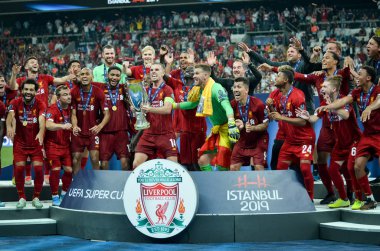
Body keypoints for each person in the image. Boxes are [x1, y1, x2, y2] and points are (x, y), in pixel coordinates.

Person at [259, 51, 353, 205]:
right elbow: (297, 76)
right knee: (322, 161)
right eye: (323, 57)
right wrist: (272, 68)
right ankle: (331, 193)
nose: (323, 59)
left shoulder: (342, 74)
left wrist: (348, 61)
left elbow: (355, 77)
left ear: (336, 61)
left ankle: (350, 193)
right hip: (326, 122)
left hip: (343, 124)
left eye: (327, 57)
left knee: (346, 164)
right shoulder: (317, 77)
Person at [317, 66, 379, 210]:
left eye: (360, 74)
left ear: (368, 78)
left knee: (352, 167)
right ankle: (369, 199)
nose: (357, 77)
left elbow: (379, 101)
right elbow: (344, 100)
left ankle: (353, 197)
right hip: (368, 135)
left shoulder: (377, 90)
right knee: (356, 166)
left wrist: (370, 107)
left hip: (373, 135)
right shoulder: (356, 92)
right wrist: (329, 106)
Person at [297, 76, 361, 209]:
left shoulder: (344, 99)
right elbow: (315, 118)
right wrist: (308, 117)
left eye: (325, 86)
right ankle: (343, 199)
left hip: (353, 141)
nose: (322, 88)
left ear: (333, 89)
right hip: (340, 142)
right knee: (332, 170)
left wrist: (331, 107)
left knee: (350, 169)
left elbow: (346, 115)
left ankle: (356, 196)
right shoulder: (324, 103)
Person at [172, 64, 240, 171]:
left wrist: (231, 123)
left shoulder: (215, 88)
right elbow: (192, 104)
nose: (194, 76)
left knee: (223, 163)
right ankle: (213, 184)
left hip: (227, 128)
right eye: (194, 73)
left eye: (197, 73)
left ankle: (223, 185)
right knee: (202, 161)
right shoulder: (201, 89)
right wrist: (174, 105)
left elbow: (227, 106)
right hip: (217, 129)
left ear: (206, 75)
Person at [267, 66, 316, 200]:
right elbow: (274, 115)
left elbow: (302, 121)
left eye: (278, 76)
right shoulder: (276, 94)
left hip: (305, 138)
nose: (275, 78)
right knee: (280, 169)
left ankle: (309, 199)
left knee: (305, 169)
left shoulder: (297, 95)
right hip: (290, 140)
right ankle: (281, 198)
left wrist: (281, 117)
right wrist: (270, 106)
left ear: (286, 79)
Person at [6, 79, 46, 209]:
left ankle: (36, 197)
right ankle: (21, 197)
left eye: (31, 90)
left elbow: (41, 119)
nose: (28, 92)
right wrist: (9, 127)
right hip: (20, 143)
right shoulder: (15, 102)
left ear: (35, 91)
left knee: (39, 170)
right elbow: (10, 116)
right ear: (22, 91)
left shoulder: (40, 103)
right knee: (19, 169)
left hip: (35, 143)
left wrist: (41, 132)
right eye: (26, 89)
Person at [133, 63, 178, 169]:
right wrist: (136, 109)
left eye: (157, 69)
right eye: (152, 70)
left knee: (174, 167)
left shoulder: (168, 90)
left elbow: (167, 109)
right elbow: (138, 110)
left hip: (166, 135)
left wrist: (149, 108)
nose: (153, 71)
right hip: (148, 134)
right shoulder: (144, 91)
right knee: (136, 164)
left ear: (163, 73)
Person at [164, 62, 207, 171]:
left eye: (193, 72)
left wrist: (173, 105)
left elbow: (193, 105)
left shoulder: (202, 88)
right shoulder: (178, 84)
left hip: (198, 129)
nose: (190, 73)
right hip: (184, 129)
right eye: (187, 71)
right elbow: (164, 76)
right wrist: (167, 63)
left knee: (198, 161)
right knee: (186, 162)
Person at [71, 68, 110, 174]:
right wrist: (74, 126)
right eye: (82, 74)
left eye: (87, 74)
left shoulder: (98, 92)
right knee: (75, 160)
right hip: (78, 132)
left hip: (93, 132)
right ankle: (77, 186)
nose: (84, 76)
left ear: (92, 77)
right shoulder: (74, 92)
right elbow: (73, 113)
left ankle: (96, 187)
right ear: (79, 77)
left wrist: (99, 126)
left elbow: (107, 114)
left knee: (94, 159)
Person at [230, 77, 269, 171]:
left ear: (246, 90)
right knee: (233, 168)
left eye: (239, 87)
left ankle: (261, 186)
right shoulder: (232, 105)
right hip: (243, 140)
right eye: (234, 87)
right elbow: (230, 126)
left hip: (258, 140)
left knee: (258, 167)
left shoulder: (258, 104)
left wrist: (252, 128)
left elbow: (265, 125)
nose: (235, 89)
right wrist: (236, 128)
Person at [99, 66, 132, 170]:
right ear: (107, 75)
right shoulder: (100, 88)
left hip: (121, 132)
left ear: (120, 77)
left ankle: (125, 186)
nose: (114, 77)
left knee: (125, 163)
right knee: (103, 164)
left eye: (117, 75)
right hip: (105, 132)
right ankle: (104, 186)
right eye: (112, 75)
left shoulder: (125, 88)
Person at [45, 85, 73, 206]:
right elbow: (48, 125)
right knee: (55, 170)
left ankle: (64, 194)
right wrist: (62, 126)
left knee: (69, 170)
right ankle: (55, 196)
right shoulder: (52, 109)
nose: (68, 96)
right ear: (58, 97)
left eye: (69, 94)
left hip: (66, 145)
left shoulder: (72, 108)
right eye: (65, 95)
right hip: (52, 145)